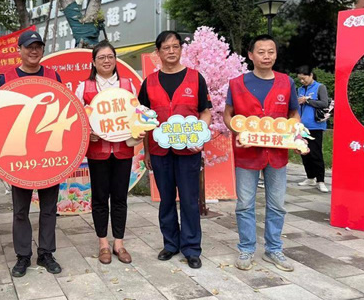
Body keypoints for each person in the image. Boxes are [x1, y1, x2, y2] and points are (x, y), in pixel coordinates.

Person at [224, 34, 304, 273]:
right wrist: (238, 131)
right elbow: (228, 115)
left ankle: (274, 248)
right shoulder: (236, 84)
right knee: (245, 204)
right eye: (261, 52)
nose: (266, 56)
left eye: (271, 51)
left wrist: (294, 132)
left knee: (277, 204)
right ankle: (246, 248)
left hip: (276, 154)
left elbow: (294, 113)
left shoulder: (286, 82)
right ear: (251, 55)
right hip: (247, 154)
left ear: (276, 54)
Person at [138, 31, 212, 270]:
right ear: (158, 52)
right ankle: (170, 244)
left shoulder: (195, 78)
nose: (171, 51)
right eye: (166, 48)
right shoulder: (149, 82)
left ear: (181, 49)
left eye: (175, 46)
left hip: (188, 151)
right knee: (166, 199)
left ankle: (191, 248)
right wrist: (147, 151)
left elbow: (205, 111)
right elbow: (144, 120)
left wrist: (200, 135)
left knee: (189, 200)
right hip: (159, 152)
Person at [0, 30, 63, 278]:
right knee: (20, 209)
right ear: (20, 50)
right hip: (19, 153)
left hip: (48, 151)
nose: (33, 51)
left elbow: (63, 109)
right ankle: (23, 255)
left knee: (49, 207)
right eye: (28, 47)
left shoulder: (53, 76)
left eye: (38, 47)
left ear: (43, 50)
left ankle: (46, 253)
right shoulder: (6, 78)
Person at [75, 40, 143, 265]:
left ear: (116, 60)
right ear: (93, 62)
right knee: (100, 198)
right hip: (98, 152)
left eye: (110, 57)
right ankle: (103, 243)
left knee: (120, 197)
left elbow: (137, 115)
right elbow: (77, 119)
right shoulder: (84, 87)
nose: (106, 61)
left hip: (123, 150)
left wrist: (140, 128)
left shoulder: (127, 85)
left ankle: (119, 243)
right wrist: (87, 132)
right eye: (101, 57)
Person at [297, 65, 329, 193]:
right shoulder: (300, 89)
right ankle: (310, 177)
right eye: (300, 79)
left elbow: (324, 103)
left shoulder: (320, 87)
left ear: (310, 75)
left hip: (315, 126)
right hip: (301, 126)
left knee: (316, 154)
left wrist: (307, 101)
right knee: (304, 152)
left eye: (304, 78)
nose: (302, 81)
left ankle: (320, 181)